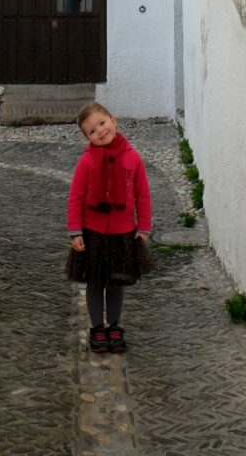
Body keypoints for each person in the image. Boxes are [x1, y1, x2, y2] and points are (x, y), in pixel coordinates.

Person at [65, 102, 153, 353]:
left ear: (113, 120)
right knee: (94, 284)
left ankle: (114, 326)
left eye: (102, 123)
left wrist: (144, 227)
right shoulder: (87, 161)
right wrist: (75, 231)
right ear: (87, 137)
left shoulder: (133, 158)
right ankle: (97, 329)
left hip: (122, 234)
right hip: (93, 234)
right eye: (92, 131)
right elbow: (76, 197)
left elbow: (143, 195)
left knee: (116, 283)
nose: (100, 131)